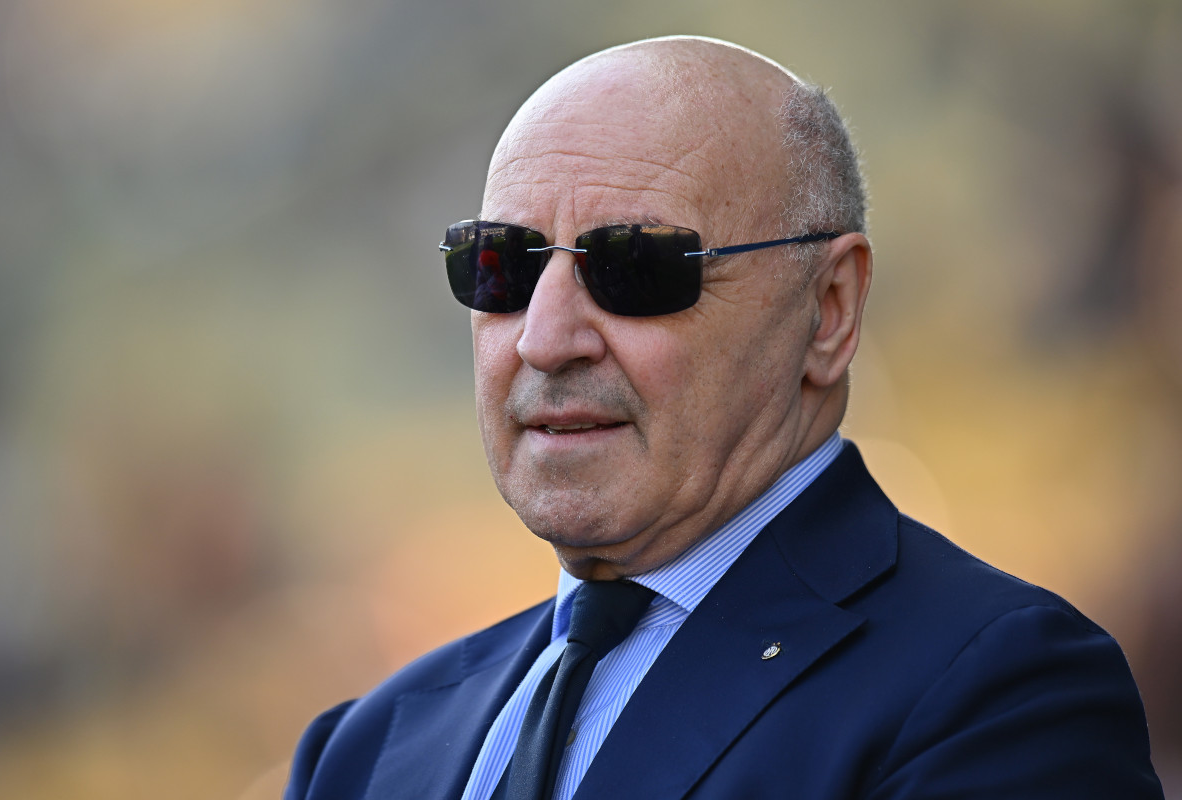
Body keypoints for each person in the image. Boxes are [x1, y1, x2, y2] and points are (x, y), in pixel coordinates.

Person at [284, 36, 1164, 799]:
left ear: (828, 309)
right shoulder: (364, 749)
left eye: (633, 266)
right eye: (502, 266)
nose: (545, 339)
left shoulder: (995, 694)